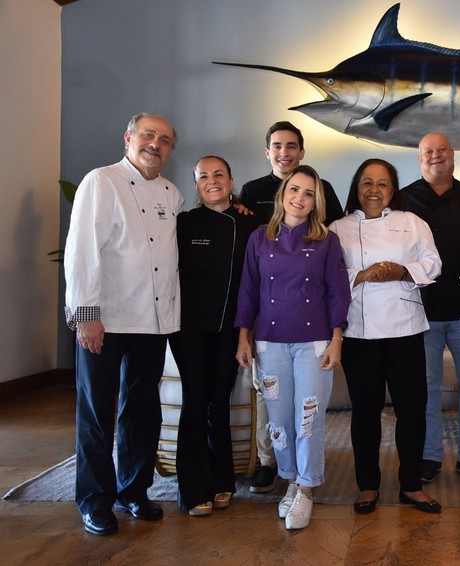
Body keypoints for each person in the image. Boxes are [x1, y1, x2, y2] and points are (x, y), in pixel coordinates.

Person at [64, 113, 182, 536]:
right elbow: (82, 251)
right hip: (106, 319)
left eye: (164, 140)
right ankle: (94, 500)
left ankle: (133, 490)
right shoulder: (101, 181)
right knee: (97, 412)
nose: (155, 144)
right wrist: (87, 316)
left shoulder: (171, 193)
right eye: (148, 135)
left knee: (143, 410)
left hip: (152, 321)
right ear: (128, 137)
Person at [235, 165, 350, 530]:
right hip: (270, 343)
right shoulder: (260, 237)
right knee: (279, 422)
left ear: (317, 202)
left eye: (309, 193)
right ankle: (290, 481)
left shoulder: (327, 240)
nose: (300, 198)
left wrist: (336, 339)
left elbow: (338, 292)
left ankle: (307, 489)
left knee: (308, 420)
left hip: (313, 344)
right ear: (282, 194)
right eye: (294, 190)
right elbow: (248, 290)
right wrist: (243, 336)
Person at [329, 159, 443, 515]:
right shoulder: (337, 228)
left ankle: (412, 485)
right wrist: (362, 274)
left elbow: (434, 263)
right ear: (356, 188)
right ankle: (368, 484)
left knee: (412, 409)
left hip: (405, 328)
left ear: (393, 190)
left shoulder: (412, 222)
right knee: (365, 412)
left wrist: (401, 271)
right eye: (367, 182)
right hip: (359, 331)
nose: (374, 190)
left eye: (382, 183)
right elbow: (327, 274)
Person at [401, 132, 460, 484]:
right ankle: (429, 456)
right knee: (425, 388)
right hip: (420, 311)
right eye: (428, 151)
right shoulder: (403, 199)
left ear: (453, 156)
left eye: (442, 150)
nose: (436, 156)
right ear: (420, 158)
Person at [169, 156, 262, 516]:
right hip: (188, 327)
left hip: (231, 328)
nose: (212, 181)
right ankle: (192, 489)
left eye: (219, 174)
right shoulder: (183, 223)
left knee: (219, 401)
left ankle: (222, 478)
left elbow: (253, 282)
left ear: (231, 180)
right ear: (196, 184)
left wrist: (247, 332)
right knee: (195, 400)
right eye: (203, 176)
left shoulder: (250, 223)